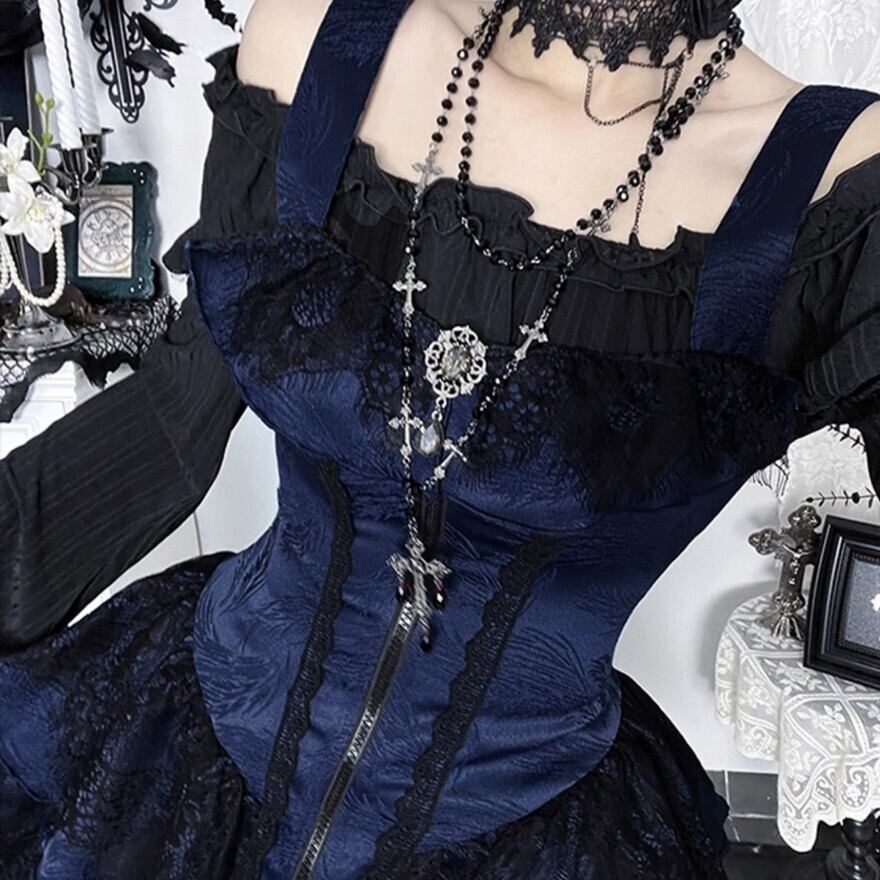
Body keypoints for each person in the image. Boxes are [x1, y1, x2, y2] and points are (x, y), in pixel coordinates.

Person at [1, 0, 879, 877]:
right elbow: (174, 418)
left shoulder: (835, 187)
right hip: (186, 762)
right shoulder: (323, 39)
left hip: (540, 828)